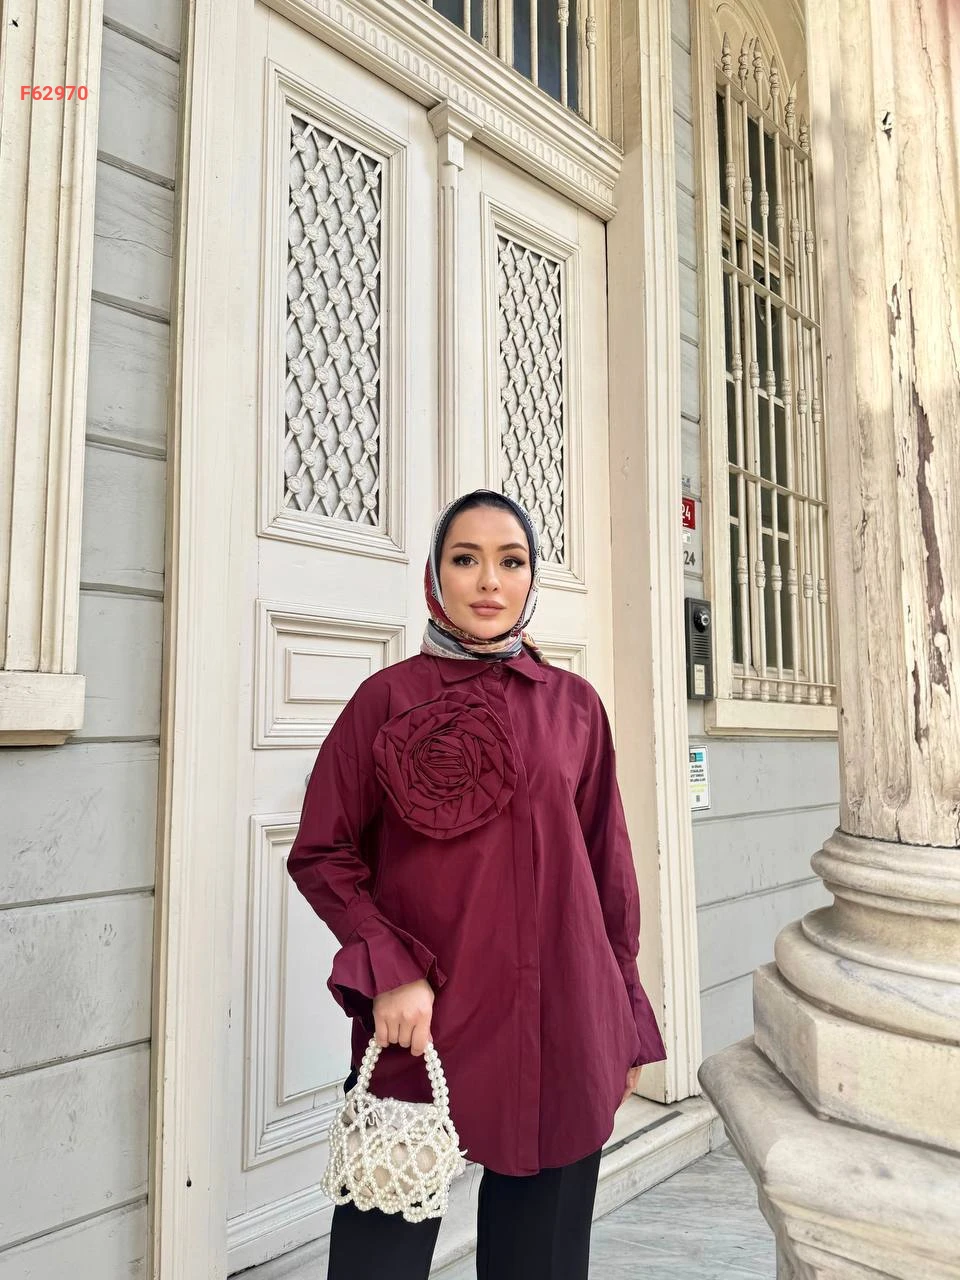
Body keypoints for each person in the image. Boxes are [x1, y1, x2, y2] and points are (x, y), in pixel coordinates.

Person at [287, 487, 667, 1280]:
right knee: (379, 1251)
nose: (490, 581)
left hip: (565, 1011)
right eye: (466, 559)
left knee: (543, 1255)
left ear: (532, 579)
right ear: (435, 575)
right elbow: (324, 851)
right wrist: (390, 970)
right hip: (422, 1014)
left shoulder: (574, 707)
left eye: (511, 561)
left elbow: (608, 871)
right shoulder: (387, 699)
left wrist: (627, 1013)